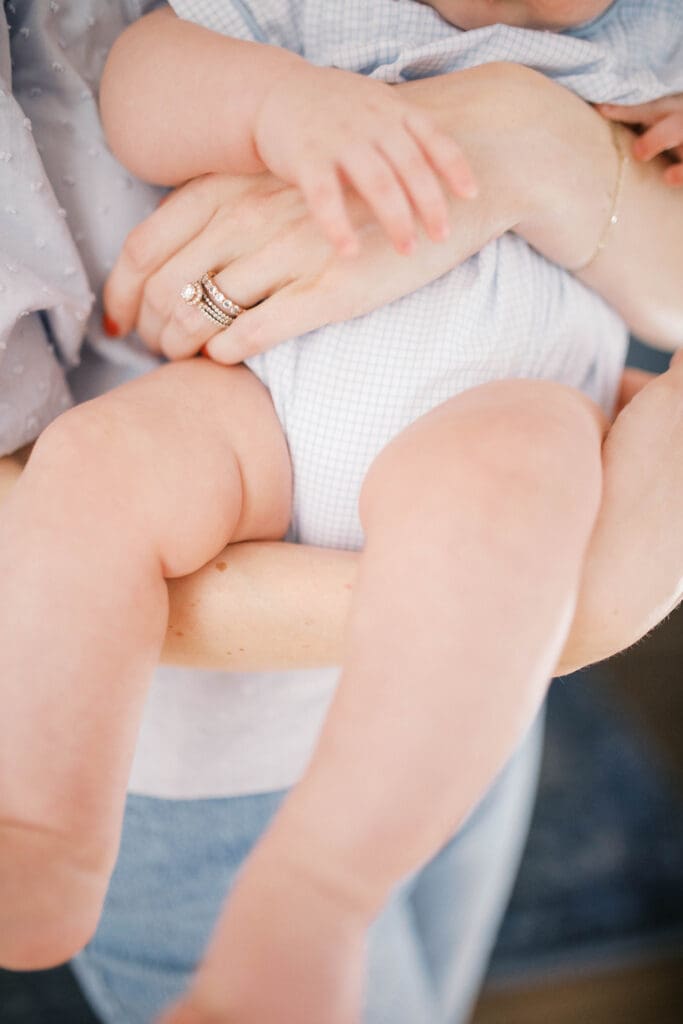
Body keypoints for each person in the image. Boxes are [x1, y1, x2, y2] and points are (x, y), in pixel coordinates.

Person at [0, 3, 682, 1024]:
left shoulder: (651, 35)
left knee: (507, 488)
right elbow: (140, 80)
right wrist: (277, 106)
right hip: (266, 397)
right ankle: (41, 822)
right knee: (96, 464)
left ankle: (311, 899)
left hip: (492, 409)